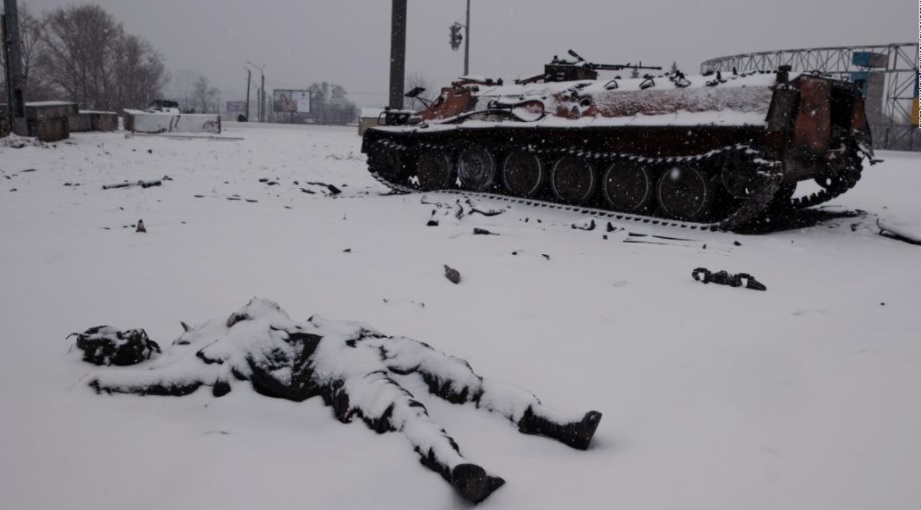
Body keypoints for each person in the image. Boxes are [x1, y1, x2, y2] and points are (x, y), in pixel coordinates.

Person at [81, 298, 602, 504]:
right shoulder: (227, 345)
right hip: (335, 369)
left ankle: (557, 424)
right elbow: (172, 381)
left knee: (456, 375)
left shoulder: (299, 319)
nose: (255, 306)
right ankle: (458, 468)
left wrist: (373, 336)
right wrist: (110, 382)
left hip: (365, 345)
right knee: (400, 407)